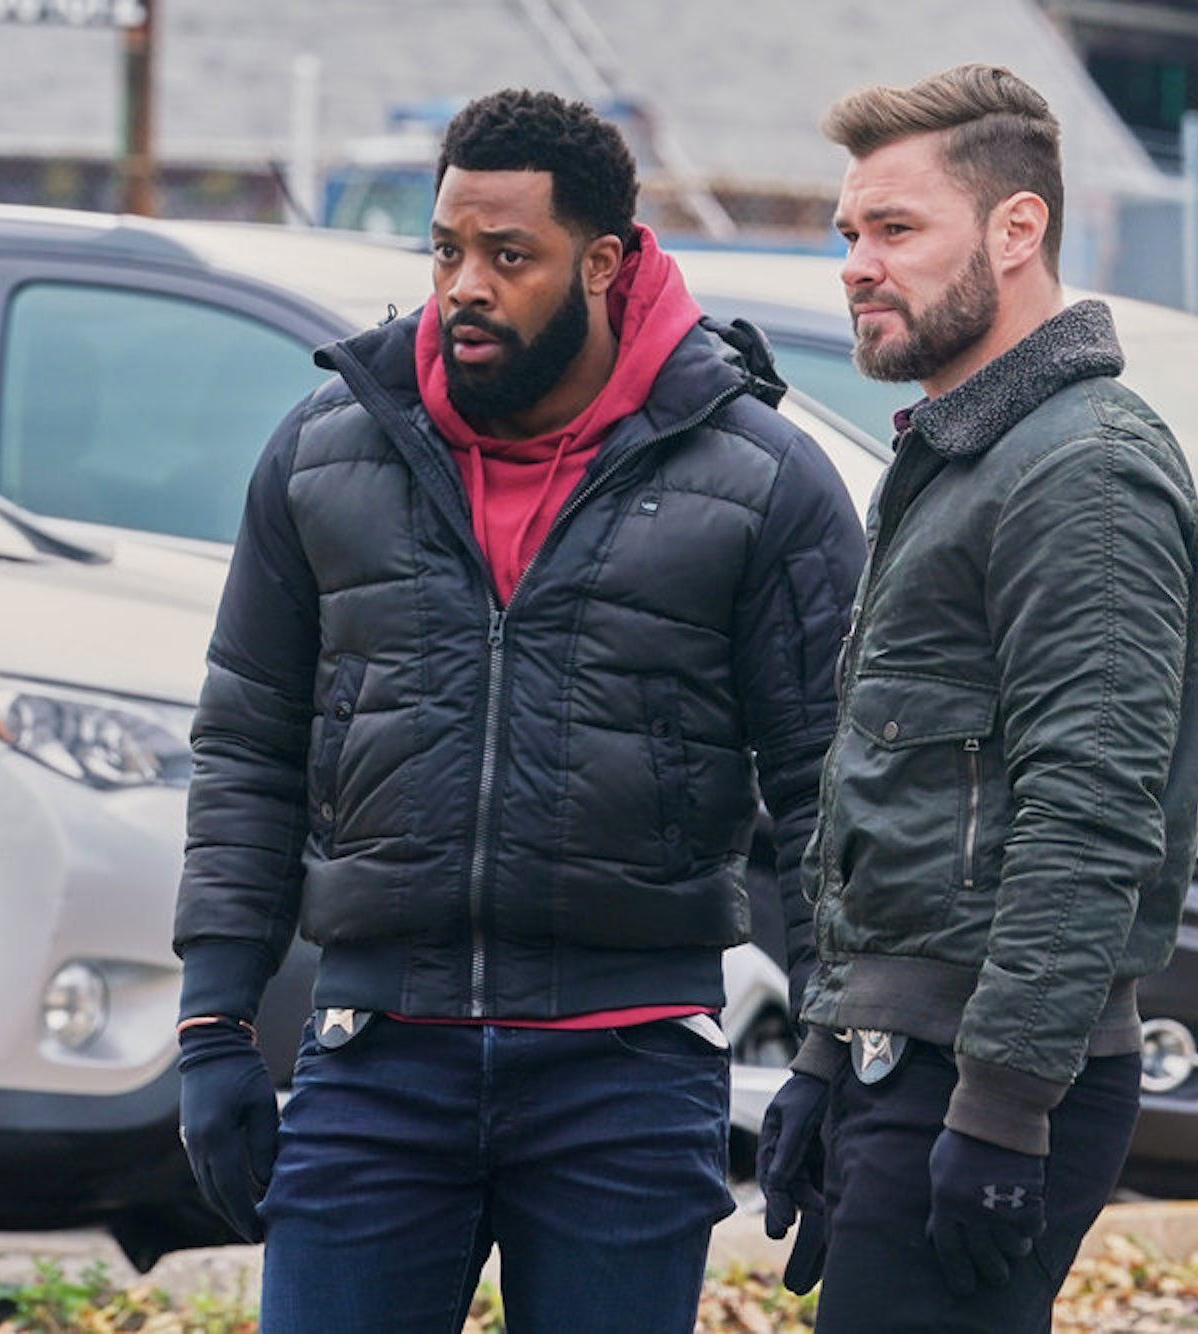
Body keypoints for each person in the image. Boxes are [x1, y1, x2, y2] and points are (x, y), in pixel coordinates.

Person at [172, 88, 865, 1332]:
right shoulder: (327, 453)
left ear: (603, 263)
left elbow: (830, 786)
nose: (463, 288)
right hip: (376, 1049)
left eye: (508, 256)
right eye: (445, 250)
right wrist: (216, 1014)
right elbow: (248, 740)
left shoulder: (757, 477)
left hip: (628, 1066)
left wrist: (830, 1048)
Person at [756, 64, 1198, 1331]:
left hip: (993, 1077)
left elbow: (1090, 812)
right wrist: (821, 1046)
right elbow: (890, 802)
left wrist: (1004, 1103)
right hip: (896, 1060)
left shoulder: (1082, 473)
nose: (855, 263)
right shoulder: (958, 457)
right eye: (848, 232)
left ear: (1017, 230)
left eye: (895, 229)